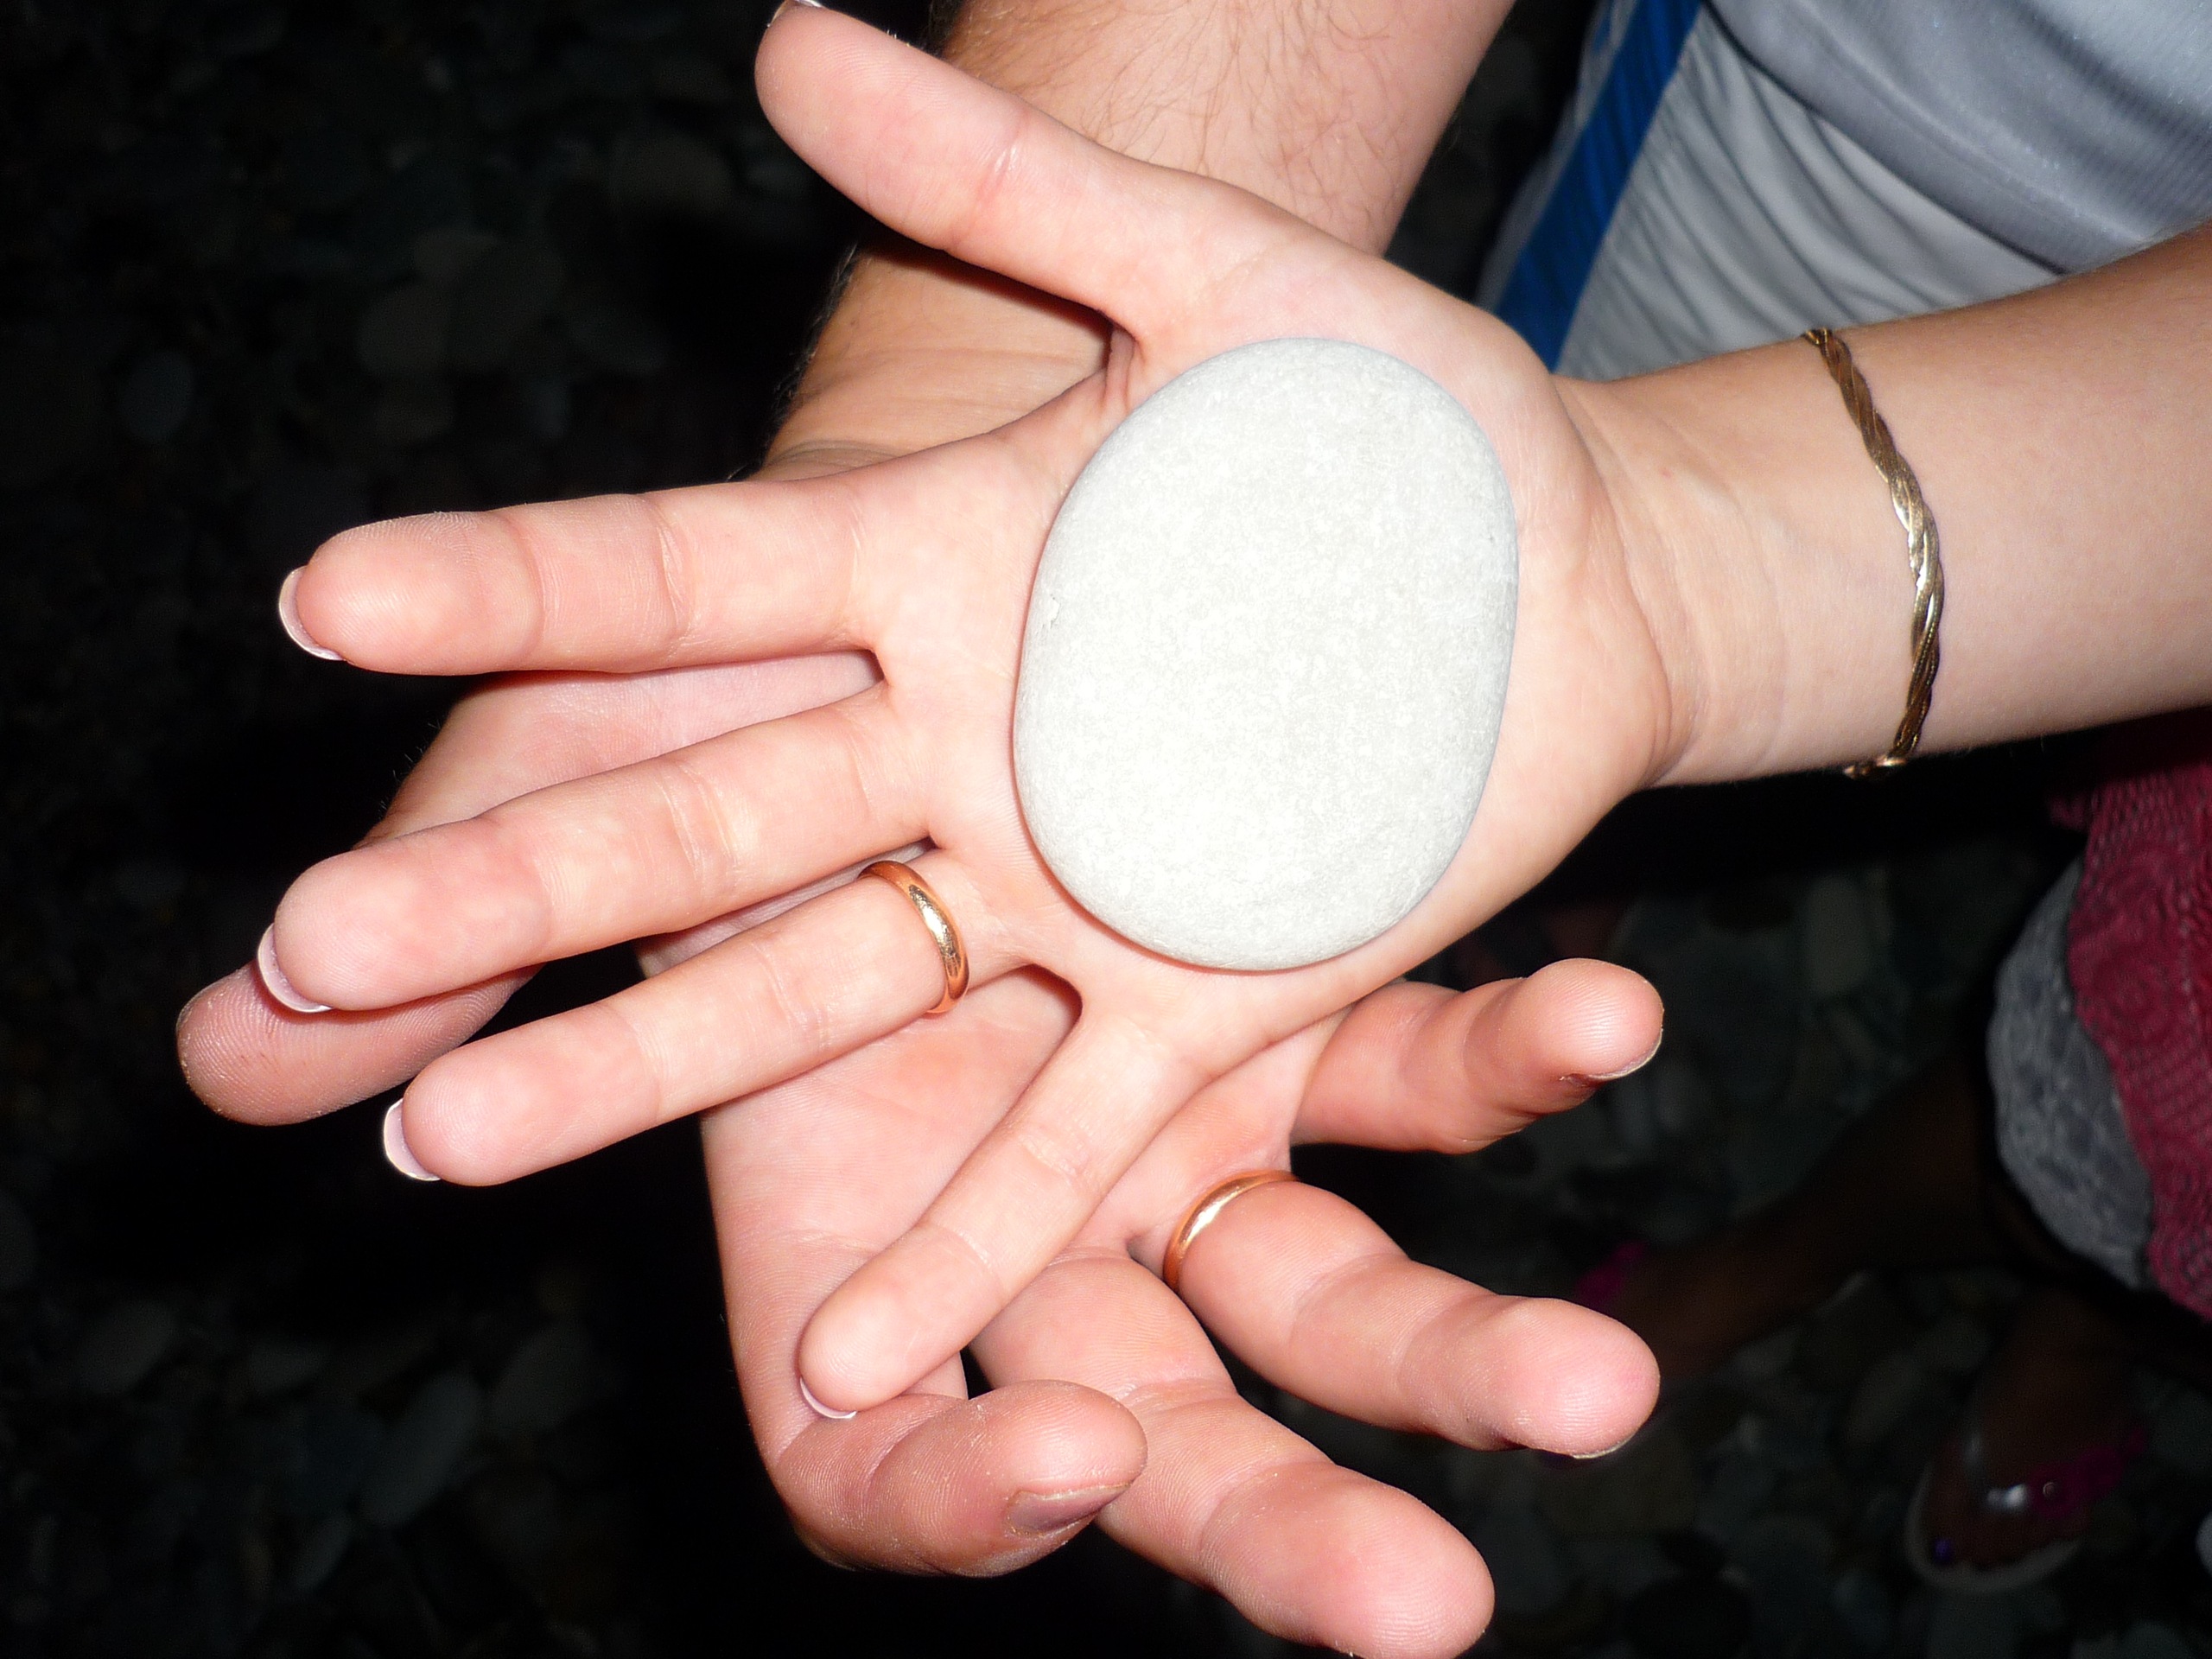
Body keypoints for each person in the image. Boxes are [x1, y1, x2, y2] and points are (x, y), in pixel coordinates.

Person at [178, 0, 2212, 1643]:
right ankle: (1859, 1163)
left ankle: (2050, 1282)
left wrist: (1698, 585)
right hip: (1871, 105)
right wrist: (990, 373)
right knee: (1587, 550)